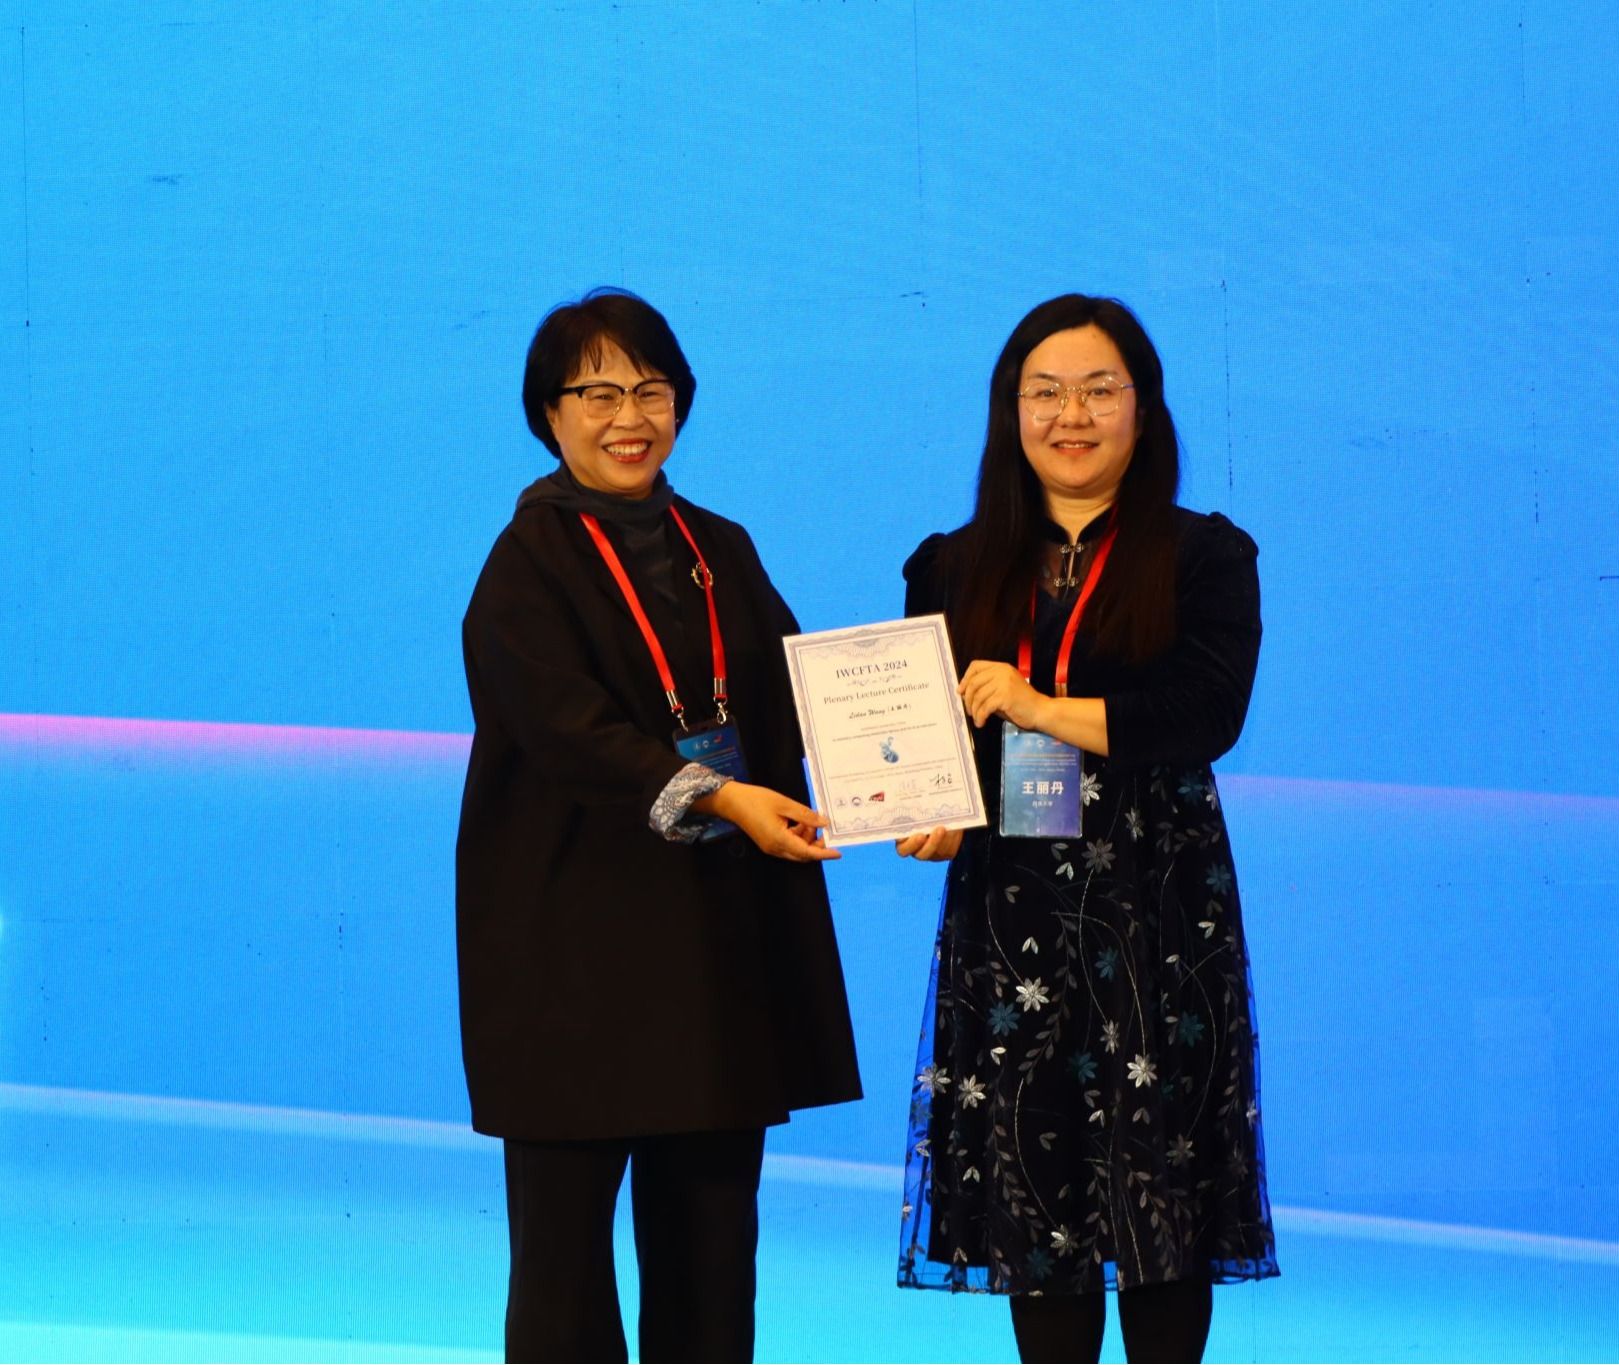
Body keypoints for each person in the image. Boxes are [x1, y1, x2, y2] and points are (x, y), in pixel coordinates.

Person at [456, 287, 862, 1363]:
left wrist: (905, 773)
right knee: (563, 1277)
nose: (628, 417)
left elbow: (792, 696)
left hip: (711, 958)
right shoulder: (525, 562)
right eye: (597, 394)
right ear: (549, 414)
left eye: (650, 390)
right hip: (570, 967)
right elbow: (570, 731)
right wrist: (721, 796)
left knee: (712, 1264)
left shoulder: (718, 545)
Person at [894, 295, 1278, 1363]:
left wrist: (1039, 706)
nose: (1072, 415)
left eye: (1099, 390)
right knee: (1038, 1192)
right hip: (1012, 912)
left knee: (1163, 1195)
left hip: (1157, 903)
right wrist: (933, 809)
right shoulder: (951, 566)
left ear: (1142, 409)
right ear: (1009, 412)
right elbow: (934, 742)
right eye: (1046, 393)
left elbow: (1204, 715)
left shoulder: (1203, 556)